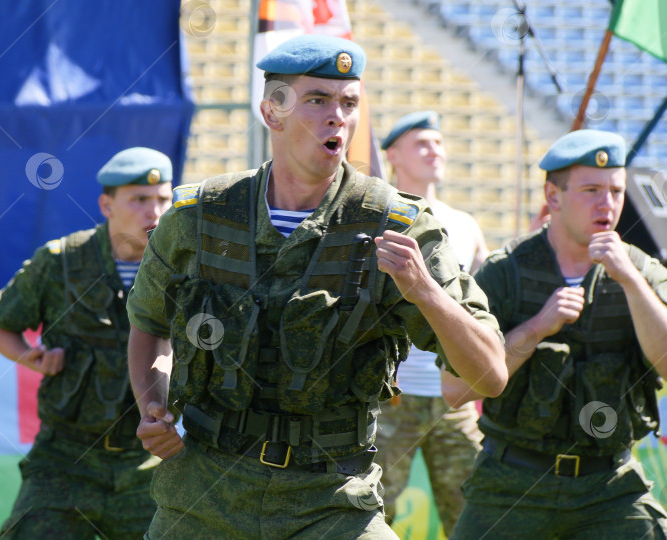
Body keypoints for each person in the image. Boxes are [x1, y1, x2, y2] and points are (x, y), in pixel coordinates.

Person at [126, 34, 507, 539]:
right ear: (272, 111)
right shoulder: (199, 216)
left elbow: (488, 377)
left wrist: (426, 292)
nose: (338, 118)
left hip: (330, 501)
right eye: (318, 101)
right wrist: (153, 403)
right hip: (202, 494)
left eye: (349, 103)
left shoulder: (397, 224)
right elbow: (150, 324)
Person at [444, 130, 667, 539]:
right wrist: (534, 329)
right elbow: (456, 389)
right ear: (553, 197)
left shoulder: (642, 271)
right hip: (510, 483)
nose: (608, 204)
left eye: (616, 191)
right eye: (591, 190)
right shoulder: (504, 272)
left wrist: (632, 282)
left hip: (610, 487)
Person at [0, 147, 174, 539]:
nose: (153, 212)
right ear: (107, 204)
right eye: (139, 200)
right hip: (66, 460)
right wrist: (31, 357)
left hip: (153, 462)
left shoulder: (184, 266)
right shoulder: (61, 262)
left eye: (162, 200)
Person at [375, 110, 488, 534]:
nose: (434, 150)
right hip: (391, 397)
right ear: (393, 156)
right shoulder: (377, 215)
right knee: (371, 511)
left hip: (451, 399)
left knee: (472, 513)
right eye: (422, 142)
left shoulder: (464, 225)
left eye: (438, 142)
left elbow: (481, 306)